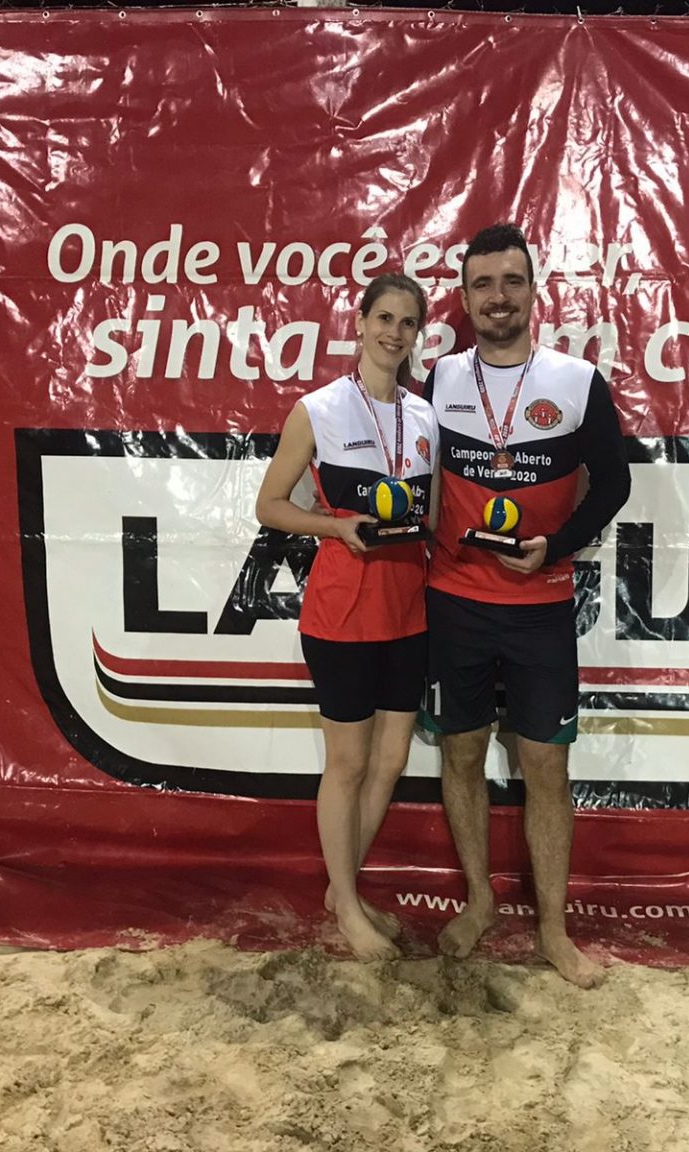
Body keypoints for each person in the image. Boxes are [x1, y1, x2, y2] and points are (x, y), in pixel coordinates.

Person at [422, 223, 631, 988]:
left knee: (545, 763)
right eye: (483, 284)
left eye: (512, 281)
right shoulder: (439, 381)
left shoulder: (576, 382)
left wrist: (558, 546)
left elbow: (613, 483)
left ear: (534, 290)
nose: (498, 297)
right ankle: (479, 902)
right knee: (462, 753)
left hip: (541, 604)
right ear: (465, 297)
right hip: (454, 603)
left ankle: (552, 931)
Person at [255, 273, 436, 961]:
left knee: (391, 761)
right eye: (384, 318)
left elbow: (431, 513)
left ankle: (343, 891)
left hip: (408, 610)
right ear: (359, 324)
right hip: (342, 613)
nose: (394, 332)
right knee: (349, 763)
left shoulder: (424, 416)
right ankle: (349, 907)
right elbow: (270, 505)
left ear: (417, 334)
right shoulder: (319, 410)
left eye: (407, 322)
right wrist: (334, 526)